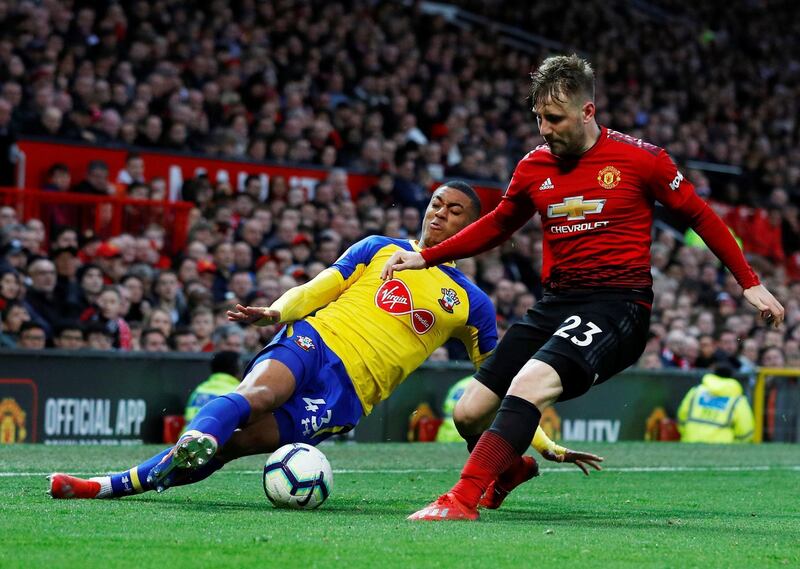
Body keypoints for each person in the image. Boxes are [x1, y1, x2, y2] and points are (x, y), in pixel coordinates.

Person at [380, 54, 785, 521]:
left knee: (530, 383)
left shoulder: (641, 159)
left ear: (587, 112)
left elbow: (700, 214)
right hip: (557, 303)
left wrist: (748, 282)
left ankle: (460, 500)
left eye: (554, 118)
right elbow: (498, 224)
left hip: (619, 305)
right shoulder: (533, 167)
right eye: (538, 118)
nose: (545, 129)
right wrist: (427, 255)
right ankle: (509, 472)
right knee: (469, 412)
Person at [48, 182, 599, 499]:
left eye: (455, 210)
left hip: (349, 394)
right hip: (315, 338)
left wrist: (545, 447)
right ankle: (111, 484)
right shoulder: (379, 247)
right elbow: (320, 287)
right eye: (435, 203)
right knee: (255, 395)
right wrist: (275, 313)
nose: (439, 213)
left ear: (474, 229)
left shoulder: (471, 303)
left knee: (240, 442)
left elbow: (501, 387)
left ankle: (181, 455)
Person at [676, 366, 754, 443]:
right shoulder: (738, 399)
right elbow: (746, 430)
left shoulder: (696, 391)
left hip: (690, 441)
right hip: (723, 447)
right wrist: (735, 445)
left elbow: (682, 416)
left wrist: (686, 434)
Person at [185, 351, 242, 422]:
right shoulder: (238, 392)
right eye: (240, 367)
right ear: (237, 370)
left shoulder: (199, 390)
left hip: (188, 432)